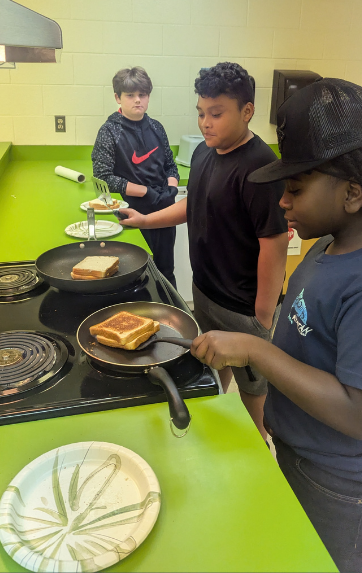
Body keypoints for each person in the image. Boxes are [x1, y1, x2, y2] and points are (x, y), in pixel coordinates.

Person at [190, 78, 362, 573]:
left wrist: (256, 351)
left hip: (347, 483)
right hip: (307, 455)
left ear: (353, 192)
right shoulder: (329, 245)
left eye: (296, 190)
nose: (283, 202)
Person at [119, 62, 289, 440]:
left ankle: (261, 458)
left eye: (216, 114)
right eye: (201, 113)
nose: (205, 123)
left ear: (247, 112)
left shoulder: (262, 167)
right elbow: (191, 204)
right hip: (206, 294)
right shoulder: (203, 154)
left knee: (254, 396)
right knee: (213, 373)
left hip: (245, 308)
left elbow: (274, 246)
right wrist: (144, 221)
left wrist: (261, 319)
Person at [92, 66, 179, 287]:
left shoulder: (157, 128)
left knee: (166, 271)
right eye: (130, 95)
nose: (137, 100)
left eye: (143, 94)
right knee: (138, 275)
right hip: (132, 213)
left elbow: (170, 164)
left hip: (164, 210)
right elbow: (103, 177)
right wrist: (145, 192)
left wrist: (172, 187)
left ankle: (172, 316)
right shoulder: (109, 131)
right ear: (117, 98)